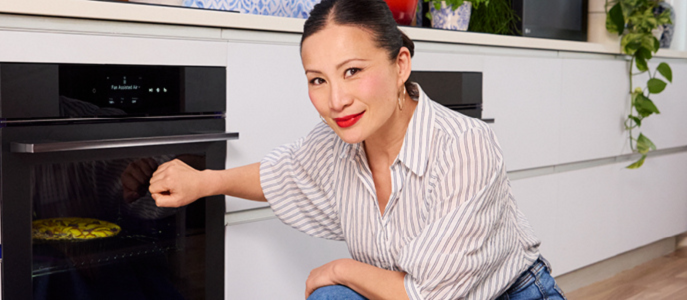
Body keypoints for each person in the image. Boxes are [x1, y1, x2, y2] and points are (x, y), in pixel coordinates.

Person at [148, 0, 567, 299]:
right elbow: (282, 174)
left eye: (352, 71)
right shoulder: (334, 145)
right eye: (318, 80)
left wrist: (341, 268)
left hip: (509, 295)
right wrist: (204, 181)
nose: (336, 100)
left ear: (400, 65)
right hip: (406, 292)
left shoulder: (464, 146)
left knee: (334, 286)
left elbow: (430, 296)